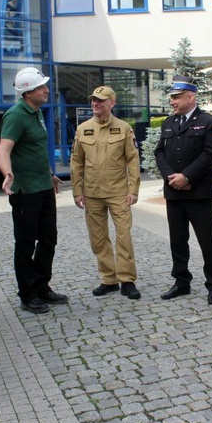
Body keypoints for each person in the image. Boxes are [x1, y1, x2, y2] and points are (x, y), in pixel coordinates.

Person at [0, 67, 68, 314]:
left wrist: (50, 175)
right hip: (25, 191)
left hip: (44, 187)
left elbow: (36, 150)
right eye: (41, 87)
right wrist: (8, 173)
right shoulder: (16, 115)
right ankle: (27, 293)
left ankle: (42, 286)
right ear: (27, 92)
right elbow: (4, 149)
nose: (46, 90)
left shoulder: (37, 113)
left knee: (49, 238)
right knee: (26, 243)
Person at [154, 75, 212, 305]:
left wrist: (187, 176)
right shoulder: (168, 123)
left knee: (207, 241)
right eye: (171, 97)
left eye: (176, 97)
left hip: (198, 193)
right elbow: (159, 153)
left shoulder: (208, 121)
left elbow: (209, 154)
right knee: (177, 240)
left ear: (190, 97)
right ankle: (181, 281)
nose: (172, 101)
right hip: (174, 192)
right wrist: (171, 178)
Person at [70, 86, 141, 300]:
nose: (95, 104)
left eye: (100, 100)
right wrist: (77, 191)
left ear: (112, 103)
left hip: (118, 192)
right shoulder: (83, 129)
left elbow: (133, 160)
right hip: (92, 193)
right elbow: (76, 162)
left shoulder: (124, 128)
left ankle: (127, 280)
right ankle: (108, 280)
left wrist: (133, 189)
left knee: (123, 236)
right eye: (93, 100)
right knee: (98, 239)